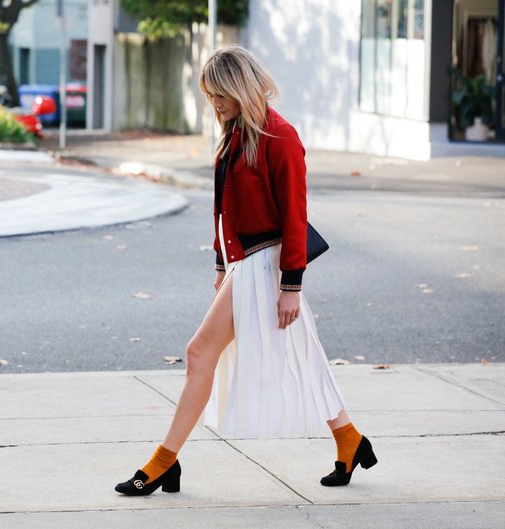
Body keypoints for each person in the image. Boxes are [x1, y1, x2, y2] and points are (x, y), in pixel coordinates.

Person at [115, 45, 378, 496]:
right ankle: (349, 440)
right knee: (305, 355)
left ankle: (163, 462)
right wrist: (222, 262)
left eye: (221, 93)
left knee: (200, 353)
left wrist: (291, 285)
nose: (214, 103)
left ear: (241, 86)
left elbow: (295, 214)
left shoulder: (280, 136)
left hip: (268, 265)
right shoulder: (237, 132)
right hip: (245, 265)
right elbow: (223, 205)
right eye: (209, 94)